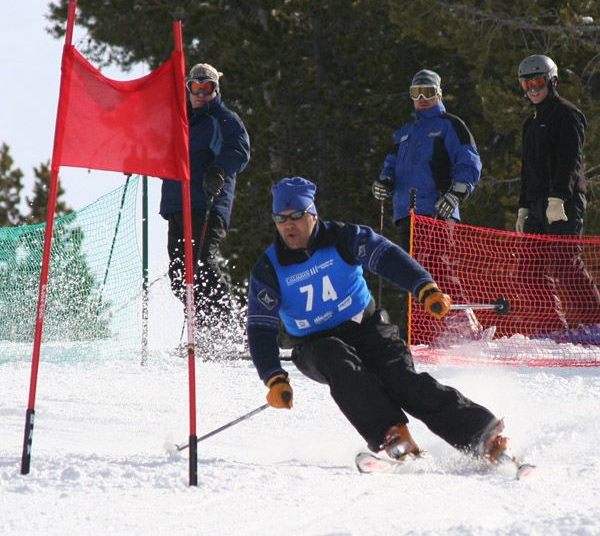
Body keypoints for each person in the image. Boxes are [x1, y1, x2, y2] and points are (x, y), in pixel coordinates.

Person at [246, 176, 510, 463]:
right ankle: (393, 436)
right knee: (339, 361)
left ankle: (482, 435)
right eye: (280, 218)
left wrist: (425, 287)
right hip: (314, 345)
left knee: (402, 380)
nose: (288, 225)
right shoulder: (268, 269)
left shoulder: (344, 238)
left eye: (296, 215)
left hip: (367, 327)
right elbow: (261, 327)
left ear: (313, 214)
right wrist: (273, 377)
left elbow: (388, 258)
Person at [371, 69, 482, 341]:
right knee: (415, 273)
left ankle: (464, 328)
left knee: (439, 267)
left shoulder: (449, 125)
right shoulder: (404, 133)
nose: (422, 99)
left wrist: (456, 193)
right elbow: (391, 165)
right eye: (416, 93)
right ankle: (425, 332)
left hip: (436, 210)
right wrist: (384, 182)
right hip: (405, 214)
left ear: (438, 94)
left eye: (428, 93)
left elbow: (469, 160)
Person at [160, 63, 250, 326]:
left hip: (206, 203)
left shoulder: (223, 119)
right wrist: (137, 160)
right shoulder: (180, 123)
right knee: (179, 273)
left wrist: (219, 170)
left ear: (215, 89)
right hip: (177, 204)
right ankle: (202, 329)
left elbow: (239, 151)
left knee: (200, 263)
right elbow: (162, 152)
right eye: (195, 87)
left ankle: (227, 327)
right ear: (187, 89)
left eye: (207, 87)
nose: (200, 93)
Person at [515, 54, 600, 332]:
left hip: (563, 201)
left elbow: (569, 160)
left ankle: (595, 324)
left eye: (538, 82)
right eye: (526, 84)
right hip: (537, 204)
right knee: (527, 269)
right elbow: (528, 169)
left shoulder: (567, 113)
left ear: (552, 81)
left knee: (565, 264)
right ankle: (552, 326)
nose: (532, 89)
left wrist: (558, 197)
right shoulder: (531, 122)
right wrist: (524, 206)